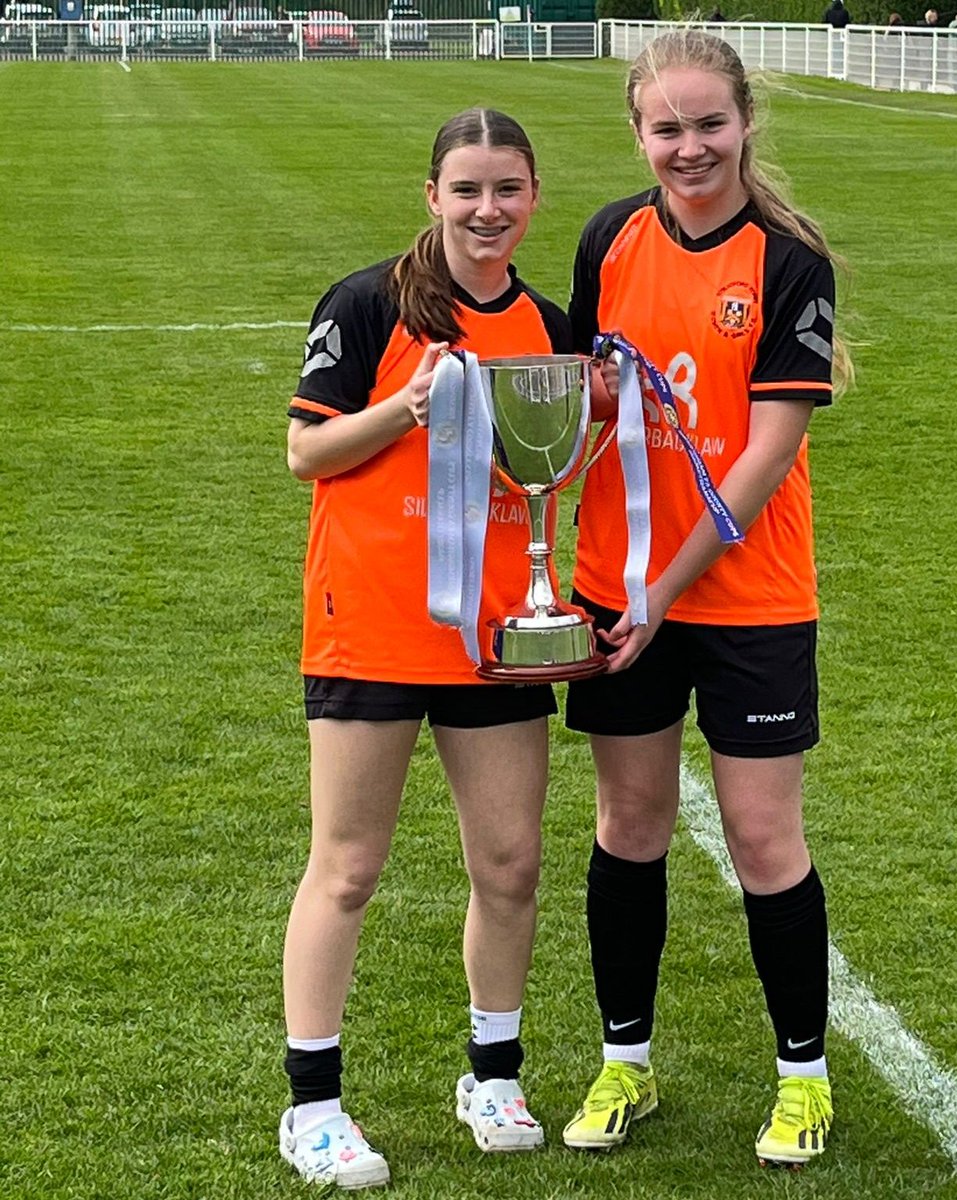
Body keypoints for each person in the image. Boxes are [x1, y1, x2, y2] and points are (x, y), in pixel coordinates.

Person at [560, 28, 851, 1169]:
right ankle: (624, 1060)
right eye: (666, 127)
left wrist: (662, 587)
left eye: (708, 124)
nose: (689, 147)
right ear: (637, 131)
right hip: (612, 588)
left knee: (763, 835)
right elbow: (589, 402)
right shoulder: (609, 238)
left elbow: (764, 455)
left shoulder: (787, 258)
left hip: (748, 597)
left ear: (745, 123)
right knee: (628, 827)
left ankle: (804, 1081)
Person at [279, 107, 571, 1188]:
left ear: (533, 198)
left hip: (496, 634)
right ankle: (313, 1106)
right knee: (348, 867)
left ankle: (493, 1071)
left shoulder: (548, 323)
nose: (487, 211)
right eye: (467, 191)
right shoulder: (369, 304)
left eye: (507, 191)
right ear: (432, 197)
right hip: (374, 621)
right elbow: (305, 451)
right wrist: (404, 409)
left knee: (510, 865)